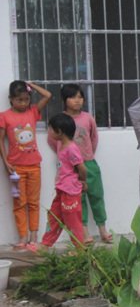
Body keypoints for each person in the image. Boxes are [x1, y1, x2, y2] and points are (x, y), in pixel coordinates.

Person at [47, 84, 113, 244]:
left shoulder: (88, 118)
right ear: (64, 100)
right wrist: (67, 158)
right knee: (78, 200)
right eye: (73, 97)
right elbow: (52, 140)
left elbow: (94, 138)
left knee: (97, 195)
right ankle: (83, 232)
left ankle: (103, 229)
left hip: (89, 163)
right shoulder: (60, 120)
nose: (77, 100)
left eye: (80, 97)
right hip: (70, 169)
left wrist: (86, 156)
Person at [0, 81, 52, 250]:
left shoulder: (33, 112)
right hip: (15, 168)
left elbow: (48, 95)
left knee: (33, 202)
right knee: (19, 202)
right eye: (19, 100)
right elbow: (0, 140)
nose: (23, 103)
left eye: (26, 99)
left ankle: (33, 236)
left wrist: (31, 85)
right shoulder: (4, 116)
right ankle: (22, 236)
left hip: (34, 165)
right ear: (11, 99)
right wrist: (6, 162)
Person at [40, 113, 87, 249]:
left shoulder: (72, 149)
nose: (48, 131)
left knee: (73, 221)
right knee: (53, 217)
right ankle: (45, 244)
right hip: (61, 189)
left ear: (59, 132)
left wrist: (83, 181)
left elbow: (82, 168)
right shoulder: (62, 144)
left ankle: (80, 249)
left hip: (70, 191)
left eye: (50, 129)